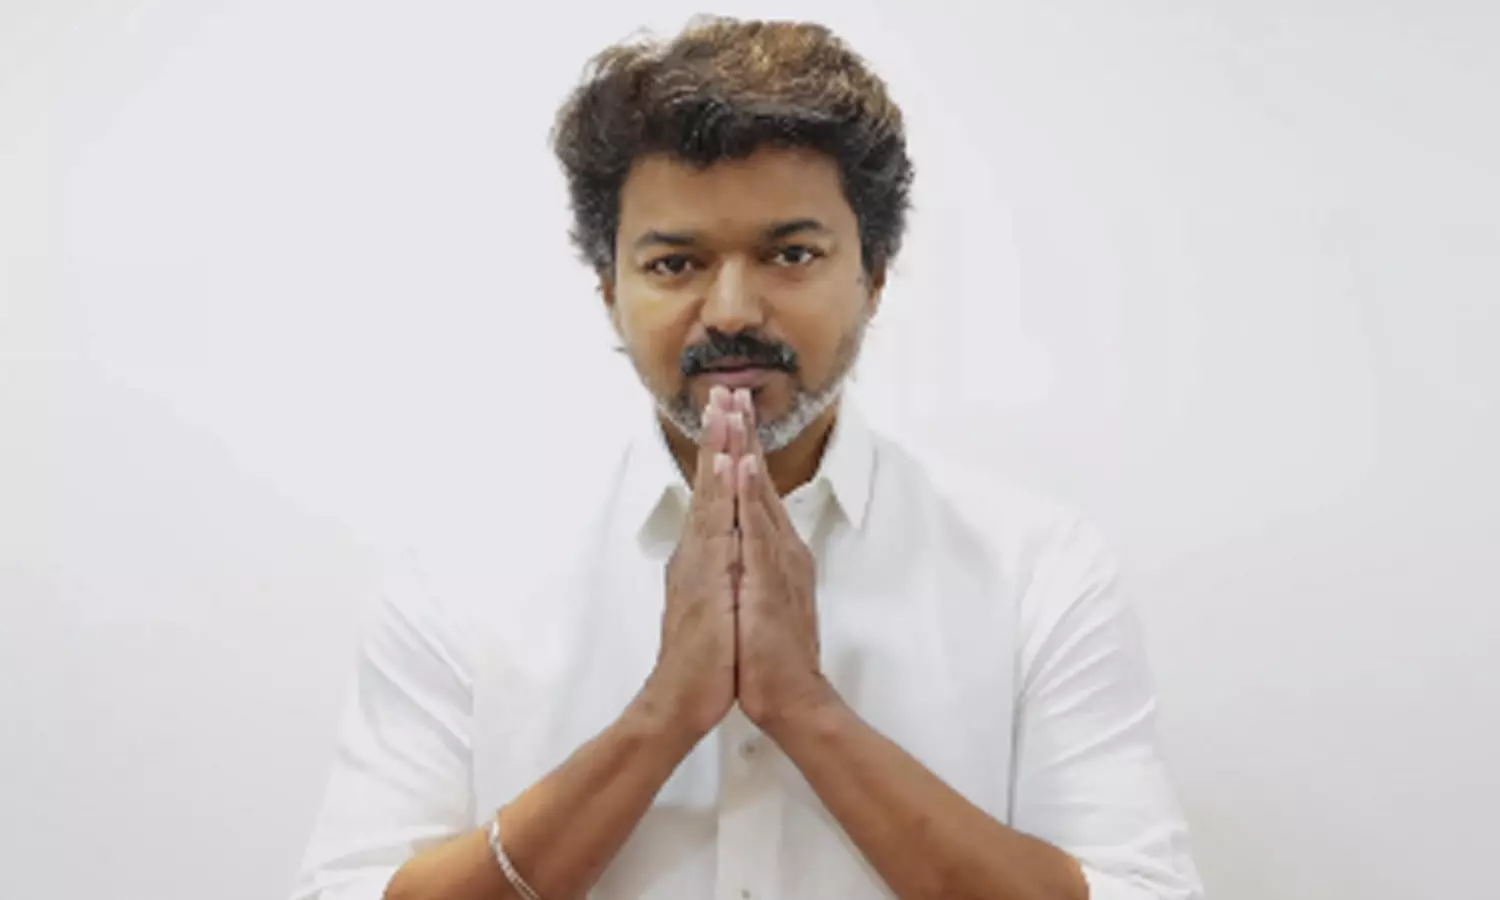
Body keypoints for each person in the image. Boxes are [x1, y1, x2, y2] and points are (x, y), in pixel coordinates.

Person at [290, 16, 1203, 900]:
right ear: (608, 289)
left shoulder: (1036, 572)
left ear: (874, 276)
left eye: (790, 254)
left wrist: (806, 710)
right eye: (674, 263)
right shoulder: (462, 578)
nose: (731, 310)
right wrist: (660, 719)